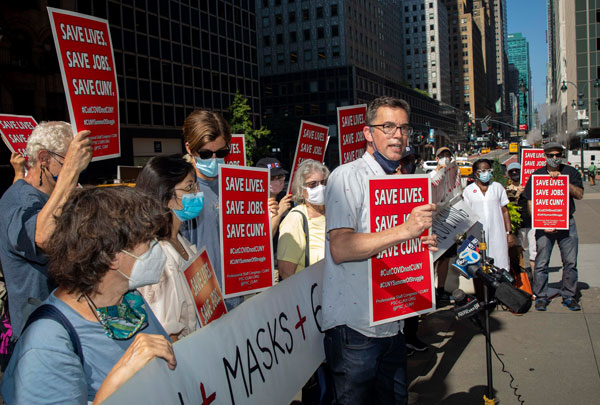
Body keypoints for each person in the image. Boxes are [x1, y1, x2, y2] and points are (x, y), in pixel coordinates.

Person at [1, 186, 176, 403]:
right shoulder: (46, 344)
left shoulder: (130, 299)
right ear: (111, 256)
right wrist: (120, 378)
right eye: (148, 242)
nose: (157, 249)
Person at [323, 96, 437, 404]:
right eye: (387, 126)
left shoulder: (402, 182)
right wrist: (405, 231)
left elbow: (395, 241)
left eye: (403, 127)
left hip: (393, 325)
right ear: (367, 133)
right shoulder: (348, 176)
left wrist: (421, 243)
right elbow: (341, 247)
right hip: (355, 331)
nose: (397, 135)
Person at [0, 121, 92, 339]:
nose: (75, 171)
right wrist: (69, 173)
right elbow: (44, 238)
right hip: (37, 331)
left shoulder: (53, 197)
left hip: (64, 322)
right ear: (44, 158)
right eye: (66, 162)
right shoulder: (19, 200)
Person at [179, 109, 243, 309]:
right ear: (190, 148)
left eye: (222, 152)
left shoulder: (237, 186)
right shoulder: (179, 191)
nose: (215, 159)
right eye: (206, 154)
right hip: (199, 303)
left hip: (236, 297)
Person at [136, 155, 203, 341]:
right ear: (166, 196)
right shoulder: (158, 259)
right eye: (189, 187)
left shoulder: (180, 240)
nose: (197, 193)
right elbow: (165, 334)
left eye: (196, 186)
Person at [523, 142, 584, 311]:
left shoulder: (570, 172)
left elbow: (580, 194)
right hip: (544, 225)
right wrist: (540, 221)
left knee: (570, 262)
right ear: (545, 156)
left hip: (567, 222)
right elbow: (530, 201)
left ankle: (569, 296)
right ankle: (541, 297)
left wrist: (565, 183)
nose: (554, 158)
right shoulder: (537, 175)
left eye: (558, 155)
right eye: (551, 155)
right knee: (541, 262)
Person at [277, 159, 329, 279]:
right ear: (301, 189)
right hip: (310, 292)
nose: (320, 188)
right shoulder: (296, 218)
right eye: (313, 184)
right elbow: (286, 272)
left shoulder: (333, 213)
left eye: (323, 182)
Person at [462, 159, 514, 273]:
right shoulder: (468, 191)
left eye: (489, 170)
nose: (487, 173)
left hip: (498, 235)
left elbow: (505, 211)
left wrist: (509, 233)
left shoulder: (497, 187)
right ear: (476, 173)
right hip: (476, 236)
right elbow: (466, 214)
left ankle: (500, 290)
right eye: (483, 170)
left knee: (500, 266)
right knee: (478, 269)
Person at [505, 162, 535, 275]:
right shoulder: (507, 190)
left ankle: (534, 278)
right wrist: (517, 194)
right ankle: (522, 276)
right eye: (512, 171)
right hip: (517, 227)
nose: (514, 173)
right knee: (518, 252)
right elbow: (507, 206)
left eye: (517, 171)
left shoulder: (530, 187)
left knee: (534, 252)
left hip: (531, 224)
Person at [256, 157, 293, 236]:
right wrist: (279, 213)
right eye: (272, 178)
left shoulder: (286, 198)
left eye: (280, 176)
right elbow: (265, 238)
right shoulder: (256, 205)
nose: (279, 181)